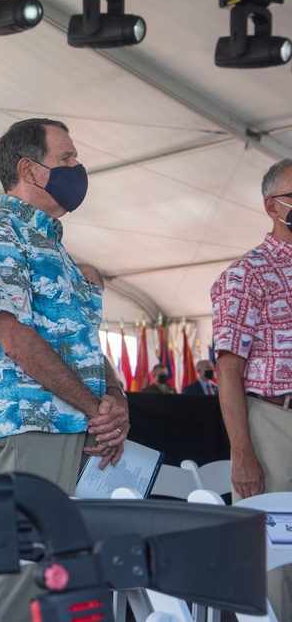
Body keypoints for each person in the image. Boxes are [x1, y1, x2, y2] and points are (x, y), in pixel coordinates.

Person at [0, 118, 129, 622]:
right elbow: (16, 340)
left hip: (76, 429)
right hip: (31, 426)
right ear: (29, 170)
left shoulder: (60, 252)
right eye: (68, 158)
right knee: (22, 582)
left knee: (73, 582)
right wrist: (96, 408)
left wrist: (115, 397)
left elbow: (85, 346)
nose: (79, 169)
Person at [211, 157, 292, 620]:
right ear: (272, 206)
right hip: (273, 423)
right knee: (273, 563)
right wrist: (242, 454)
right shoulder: (246, 275)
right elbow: (228, 371)